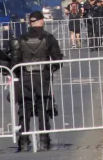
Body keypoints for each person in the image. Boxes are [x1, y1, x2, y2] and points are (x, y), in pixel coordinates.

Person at [4, 11, 64, 151]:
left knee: (24, 109)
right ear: (42, 21)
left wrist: (18, 71)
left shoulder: (21, 38)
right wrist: (50, 70)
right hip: (43, 77)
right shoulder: (48, 38)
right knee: (43, 108)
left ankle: (24, 142)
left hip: (25, 77)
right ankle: (44, 141)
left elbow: (15, 60)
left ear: (30, 22)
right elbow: (58, 60)